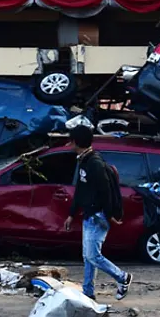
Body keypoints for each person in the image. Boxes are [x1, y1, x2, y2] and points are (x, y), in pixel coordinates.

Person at [63, 126, 133, 300]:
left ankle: (123, 277)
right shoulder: (84, 161)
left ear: (76, 142)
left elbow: (106, 192)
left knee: (93, 255)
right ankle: (88, 292)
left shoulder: (95, 164)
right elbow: (80, 190)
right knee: (88, 256)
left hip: (98, 216)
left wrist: (109, 216)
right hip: (89, 215)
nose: (68, 144)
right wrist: (72, 214)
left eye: (70, 140)